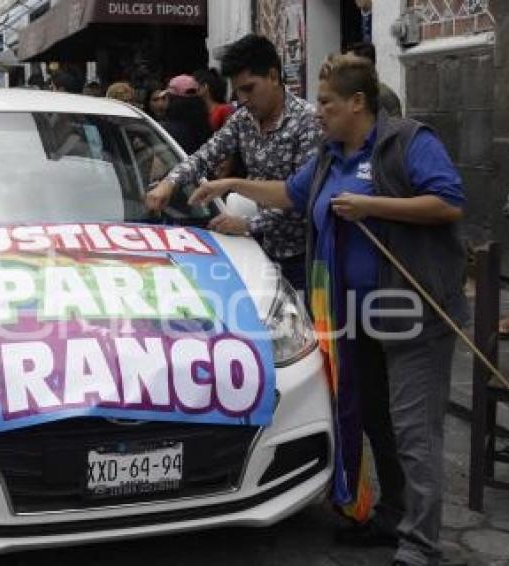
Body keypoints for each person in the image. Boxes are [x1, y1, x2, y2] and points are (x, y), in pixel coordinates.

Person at [189, 53, 467, 566]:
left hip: (412, 314)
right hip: (352, 317)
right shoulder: (328, 155)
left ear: (357, 103)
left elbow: (448, 202)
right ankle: (390, 517)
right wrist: (230, 186)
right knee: (374, 423)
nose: (317, 112)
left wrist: (372, 206)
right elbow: (290, 196)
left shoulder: (407, 141)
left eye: (326, 103)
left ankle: (421, 545)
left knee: (414, 432)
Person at [146, 34, 322, 291]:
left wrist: (249, 225)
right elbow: (205, 155)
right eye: (237, 91)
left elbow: (301, 196)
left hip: (303, 257)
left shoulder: (308, 122)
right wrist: (169, 183)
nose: (242, 99)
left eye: (249, 88)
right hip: (254, 252)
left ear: (273, 76)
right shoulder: (243, 120)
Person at [345, 41, 402, 117]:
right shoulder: (346, 94)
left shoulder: (384, 96)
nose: (344, 70)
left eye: (350, 66)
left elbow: (396, 127)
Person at [158, 74, 211, 155]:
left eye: (166, 97)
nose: (163, 102)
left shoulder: (166, 130)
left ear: (173, 99)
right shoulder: (207, 124)